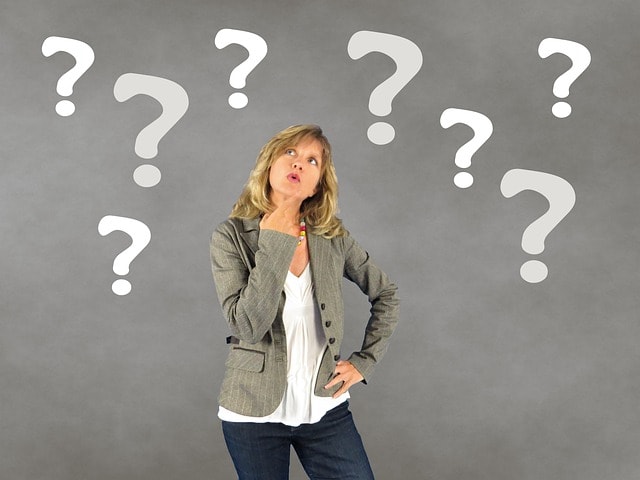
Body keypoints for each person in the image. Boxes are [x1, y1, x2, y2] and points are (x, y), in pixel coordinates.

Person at [210, 124, 399, 479]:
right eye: (290, 153)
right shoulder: (230, 236)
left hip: (325, 409)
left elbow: (386, 295)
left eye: (312, 160)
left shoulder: (333, 238)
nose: (299, 163)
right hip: (253, 413)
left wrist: (365, 362)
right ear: (269, 165)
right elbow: (247, 324)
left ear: (318, 184)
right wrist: (276, 242)